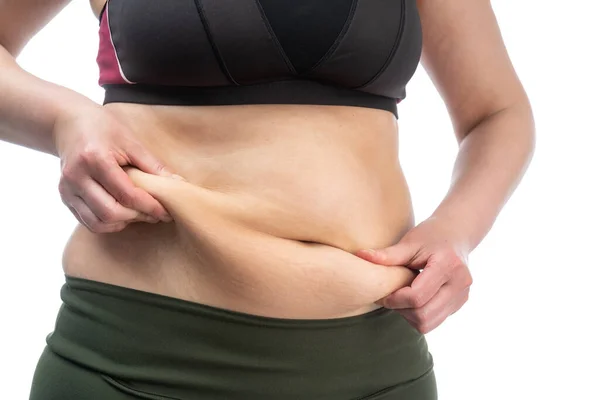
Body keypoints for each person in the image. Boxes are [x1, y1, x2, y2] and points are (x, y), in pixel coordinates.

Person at [0, 0, 535, 399]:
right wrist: (64, 120)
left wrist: (456, 232)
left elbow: (497, 113)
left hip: (372, 366)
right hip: (129, 359)